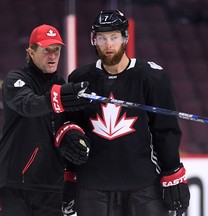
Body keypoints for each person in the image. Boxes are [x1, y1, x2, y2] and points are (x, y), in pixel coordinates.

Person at [67, 10, 190, 216]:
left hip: (143, 187)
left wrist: (172, 172)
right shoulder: (80, 79)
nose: (108, 44)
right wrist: (69, 175)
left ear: (125, 38)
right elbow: (73, 133)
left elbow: (165, 131)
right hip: (93, 189)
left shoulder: (151, 77)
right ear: (93, 40)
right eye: (102, 38)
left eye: (114, 37)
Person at [0, 24, 91, 216]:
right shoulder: (16, 79)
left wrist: (74, 134)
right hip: (15, 186)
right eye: (46, 50)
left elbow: (63, 126)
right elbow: (29, 105)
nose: (52, 55)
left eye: (57, 50)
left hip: (50, 188)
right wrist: (60, 97)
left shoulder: (61, 85)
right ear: (31, 52)